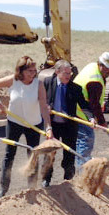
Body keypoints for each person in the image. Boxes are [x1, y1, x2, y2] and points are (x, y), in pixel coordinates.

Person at [0, 56, 53, 198]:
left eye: (34, 71)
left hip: (34, 124)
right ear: (21, 71)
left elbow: (43, 107)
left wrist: (48, 127)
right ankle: (3, 188)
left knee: (33, 154)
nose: (33, 74)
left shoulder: (38, 84)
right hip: (14, 123)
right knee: (9, 154)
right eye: (29, 71)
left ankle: (32, 186)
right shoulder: (13, 80)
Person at [42, 59, 94, 187]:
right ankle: (46, 179)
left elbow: (84, 105)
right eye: (65, 73)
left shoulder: (75, 88)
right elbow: (40, 100)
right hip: (52, 125)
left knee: (69, 153)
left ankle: (68, 179)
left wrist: (90, 118)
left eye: (70, 73)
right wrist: (45, 107)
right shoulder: (47, 83)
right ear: (57, 72)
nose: (68, 76)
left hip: (69, 125)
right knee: (49, 152)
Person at [73, 51, 109, 168]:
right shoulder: (95, 81)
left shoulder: (92, 66)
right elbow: (94, 104)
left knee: (80, 141)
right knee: (86, 140)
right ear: (100, 64)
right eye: (106, 69)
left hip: (75, 107)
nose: (108, 72)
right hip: (81, 111)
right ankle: (83, 169)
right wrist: (102, 121)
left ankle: (80, 164)